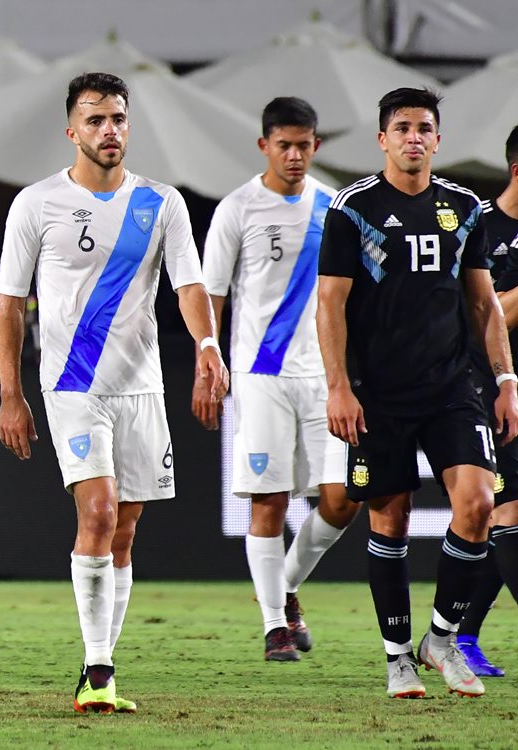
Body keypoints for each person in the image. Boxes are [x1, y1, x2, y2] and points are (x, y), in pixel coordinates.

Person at [0, 72, 228, 714]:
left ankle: (97, 665)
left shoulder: (162, 203)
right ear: (71, 131)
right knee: (97, 513)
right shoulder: (36, 204)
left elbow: (189, 287)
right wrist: (11, 394)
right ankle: (99, 670)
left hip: (140, 387)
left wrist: (208, 346)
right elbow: (10, 305)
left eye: (119, 119)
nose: (109, 130)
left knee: (124, 531)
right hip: (71, 385)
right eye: (95, 120)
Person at [317, 87, 518, 699]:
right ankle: (398, 656)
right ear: (383, 139)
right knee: (391, 518)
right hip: (378, 392)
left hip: (453, 386)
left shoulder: (464, 208)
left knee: (477, 505)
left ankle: (441, 638)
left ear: (437, 139)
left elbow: (483, 303)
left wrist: (505, 379)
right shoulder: (353, 208)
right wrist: (338, 387)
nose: (413, 137)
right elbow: (330, 303)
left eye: (424, 128)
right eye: (402, 127)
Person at [199, 97, 359, 662]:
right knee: (267, 500)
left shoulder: (335, 207)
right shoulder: (237, 209)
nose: (294, 155)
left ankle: (285, 586)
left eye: (303, 145)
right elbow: (210, 292)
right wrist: (207, 359)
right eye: (284, 145)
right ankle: (274, 627)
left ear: (316, 146)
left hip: (323, 376)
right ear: (264, 145)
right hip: (260, 375)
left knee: (343, 500)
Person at [457, 123, 518, 677]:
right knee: (506, 511)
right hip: (493, 392)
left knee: (504, 522)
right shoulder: (480, 226)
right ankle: (458, 636)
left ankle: (462, 635)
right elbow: (490, 317)